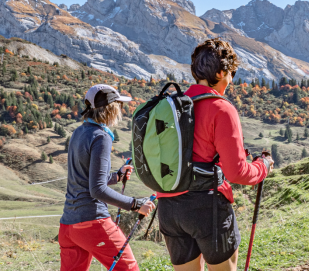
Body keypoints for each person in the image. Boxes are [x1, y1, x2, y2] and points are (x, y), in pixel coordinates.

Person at [157, 38, 274, 271]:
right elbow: (237, 172)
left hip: (168, 206)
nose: (231, 80)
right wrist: (263, 167)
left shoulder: (172, 106)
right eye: (231, 74)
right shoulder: (221, 108)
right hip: (206, 206)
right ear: (221, 73)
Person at [59, 84, 155, 271]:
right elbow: (97, 190)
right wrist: (135, 204)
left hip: (68, 225)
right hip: (92, 222)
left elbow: (84, 178)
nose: (120, 109)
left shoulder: (78, 132)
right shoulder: (101, 136)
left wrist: (116, 177)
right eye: (118, 104)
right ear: (110, 107)